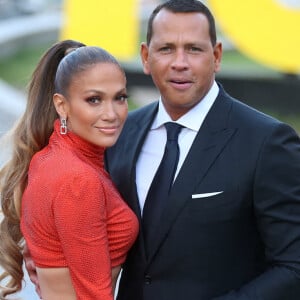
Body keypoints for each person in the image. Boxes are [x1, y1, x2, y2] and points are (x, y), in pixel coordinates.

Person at [25, 0, 300, 299]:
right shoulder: (119, 133)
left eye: (193, 49)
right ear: (146, 56)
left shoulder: (267, 142)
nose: (179, 62)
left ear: (216, 56)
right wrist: (44, 248)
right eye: (166, 48)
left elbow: (293, 266)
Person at [0, 39, 139, 299]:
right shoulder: (77, 179)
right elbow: (93, 294)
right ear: (62, 105)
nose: (112, 113)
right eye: (94, 100)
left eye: (120, 98)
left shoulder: (49, 158)